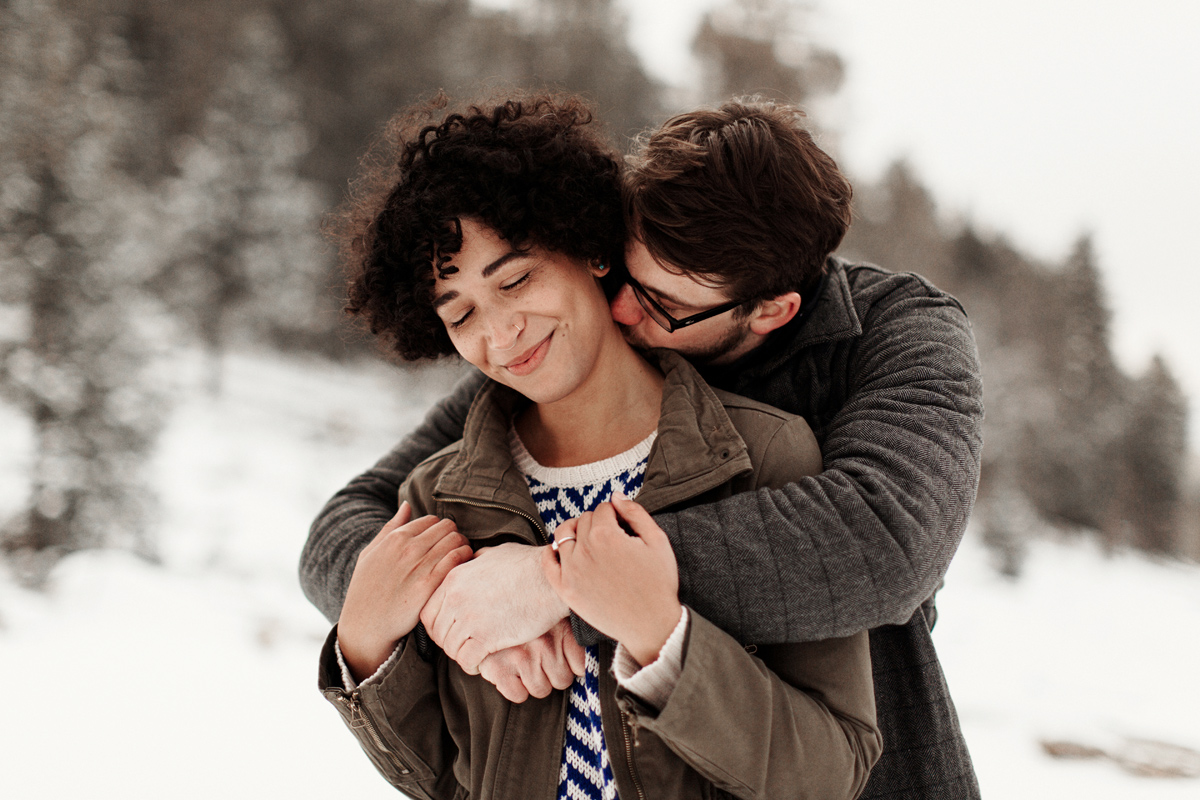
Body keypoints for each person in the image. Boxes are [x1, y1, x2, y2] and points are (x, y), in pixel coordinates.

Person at [304, 97, 984, 799]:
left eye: (664, 304)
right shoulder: (531, 379)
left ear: (770, 310)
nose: (624, 311)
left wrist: (563, 584)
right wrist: (451, 600)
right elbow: (349, 526)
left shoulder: (891, 336)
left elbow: (886, 539)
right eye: (627, 275)